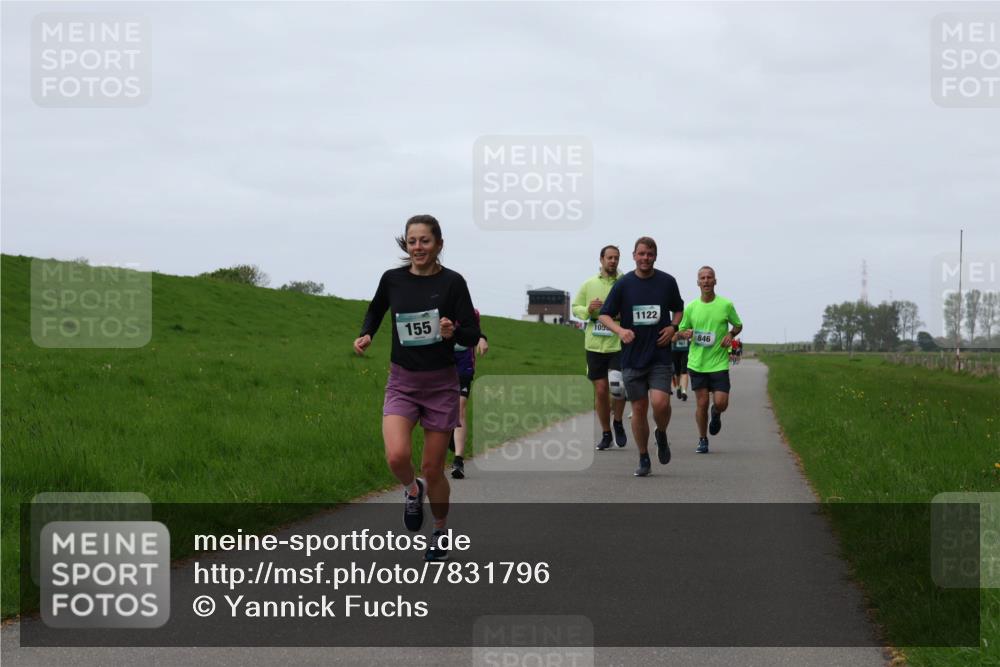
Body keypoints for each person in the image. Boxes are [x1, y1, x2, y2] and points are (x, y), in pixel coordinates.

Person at [354, 214, 480, 562]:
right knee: (396, 456)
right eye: (412, 241)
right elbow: (376, 309)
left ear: (439, 244)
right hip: (403, 382)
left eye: (425, 241)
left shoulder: (453, 283)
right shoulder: (393, 279)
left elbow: (473, 332)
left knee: (432, 467)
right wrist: (367, 333)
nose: (418, 247)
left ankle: (440, 529)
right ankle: (412, 491)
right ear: (405, 244)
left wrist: (454, 331)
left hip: (441, 384)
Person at [598, 237, 684, 477]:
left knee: (661, 403)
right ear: (634, 256)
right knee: (638, 409)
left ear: (655, 256)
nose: (645, 258)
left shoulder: (667, 282)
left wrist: (673, 327)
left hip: (659, 354)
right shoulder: (624, 284)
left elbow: (678, 308)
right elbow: (605, 315)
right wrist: (620, 330)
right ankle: (644, 456)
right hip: (633, 357)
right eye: (641, 254)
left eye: (650, 254)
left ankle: (662, 433)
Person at [677, 266, 743, 454]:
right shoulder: (691, 307)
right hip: (697, 363)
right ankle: (702, 439)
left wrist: (730, 334)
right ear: (698, 282)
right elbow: (680, 332)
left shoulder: (725, 305)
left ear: (715, 281)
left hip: (719, 363)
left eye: (709, 277)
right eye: (702, 278)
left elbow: (738, 325)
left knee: (721, 402)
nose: (706, 281)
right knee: (702, 403)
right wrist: (685, 333)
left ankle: (716, 414)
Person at [572, 245, 628, 451]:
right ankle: (606, 433)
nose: (613, 261)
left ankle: (619, 421)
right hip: (594, 344)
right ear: (601, 259)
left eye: (616, 258)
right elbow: (575, 307)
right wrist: (588, 309)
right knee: (601, 390)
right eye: (610, 258)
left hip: (618, 343)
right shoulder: (589, 284)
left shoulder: (625, 283)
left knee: (618, 387)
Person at [449, 310, 488, 479]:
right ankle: (450, 434)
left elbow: (475, 331)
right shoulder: (436, 307)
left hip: (464, 365)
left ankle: (458, 460)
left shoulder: (471, 312)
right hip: (441, 364)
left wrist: (482, 338)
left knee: (460, 408)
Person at [671, 332, 690, 401]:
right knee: (677, 372)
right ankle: (678, 387)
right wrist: (677, 334)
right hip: (675, 349)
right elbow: (672, 339)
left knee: (684, 370)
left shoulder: (688, 322)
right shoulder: (674, 322)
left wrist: (689, 335)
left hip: (686, 349)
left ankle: (684, 392)